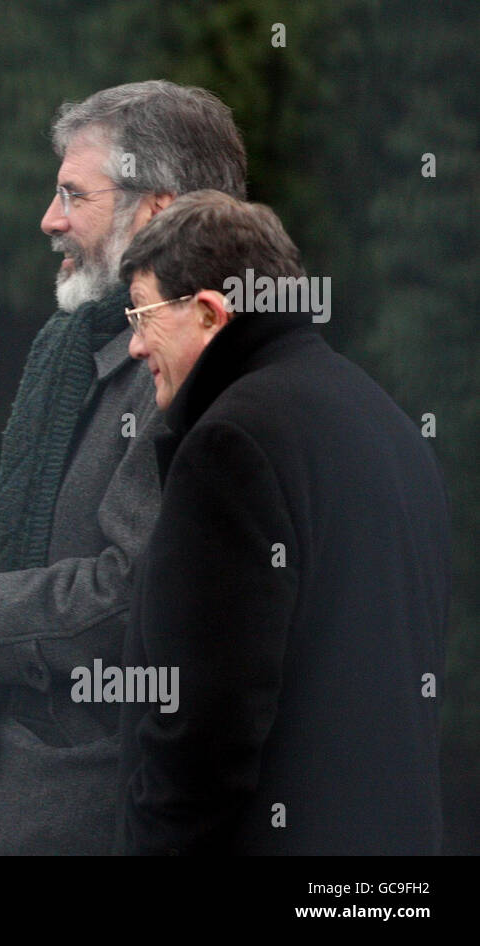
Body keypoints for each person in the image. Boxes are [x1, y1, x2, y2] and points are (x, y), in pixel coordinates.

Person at [0, 80, 249, 854]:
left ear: (156, 210)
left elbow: (137, 593)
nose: (50, 219)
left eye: (74, 194)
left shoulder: (189, 368)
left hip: (101, 812)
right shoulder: (76, 351)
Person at [115, 190, 449, 854]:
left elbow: (204, 735)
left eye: (143, 315)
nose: (132, 346)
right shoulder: (385, 420)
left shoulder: (228, 445)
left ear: (209, 313)